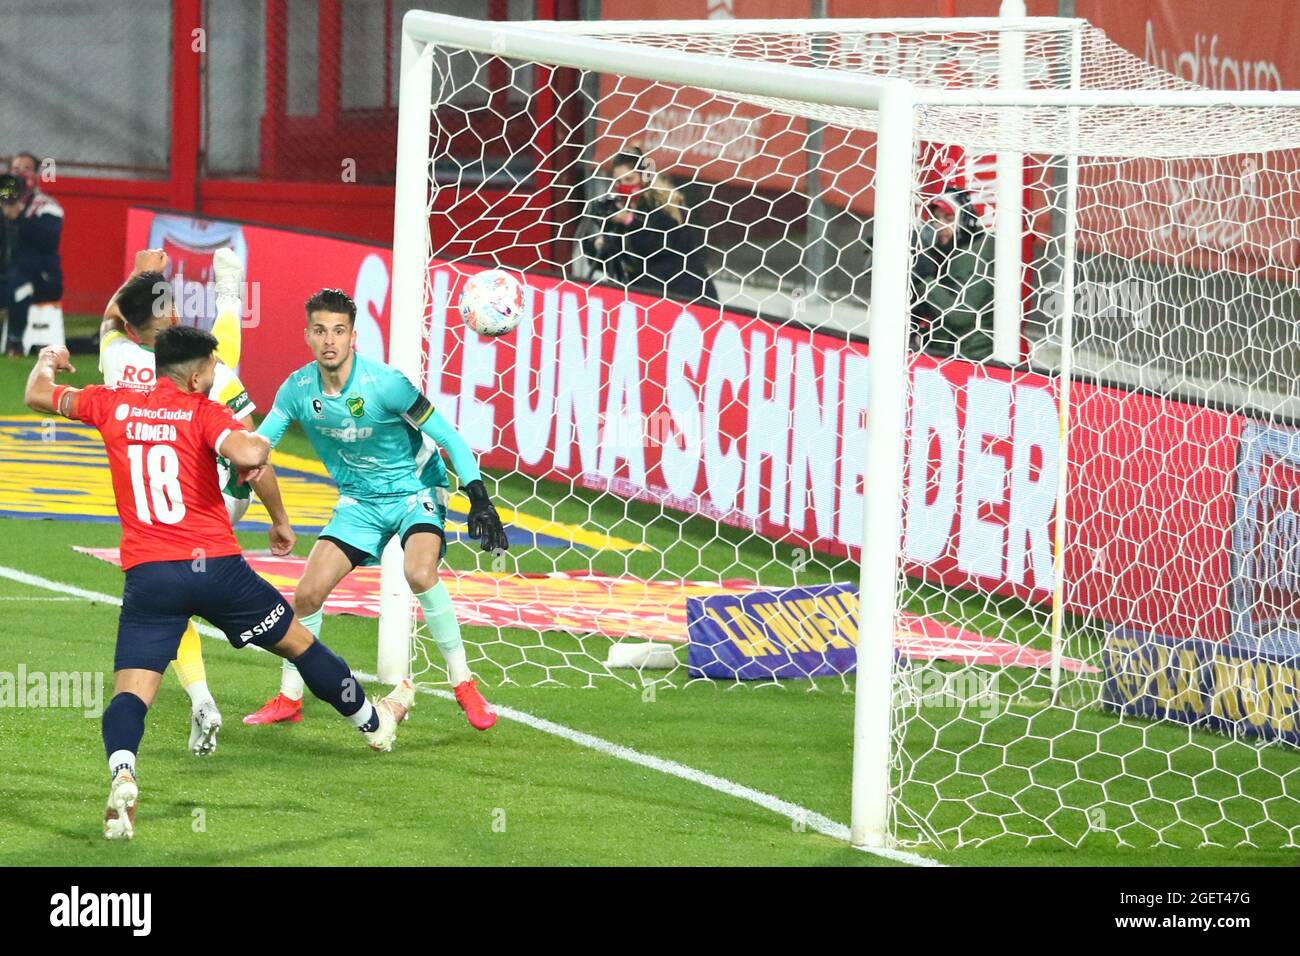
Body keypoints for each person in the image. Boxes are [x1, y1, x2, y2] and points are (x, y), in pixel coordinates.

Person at [24, 330, 414, 841]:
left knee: (132, 692)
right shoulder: (203, 412)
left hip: (150, 577)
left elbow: (37, 394)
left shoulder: (111, 404)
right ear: (193, 375)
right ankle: (372, 723)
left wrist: (49, 359)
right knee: (299, 644)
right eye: (211, 368)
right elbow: (251, 453)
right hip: (219, 572)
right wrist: (264, 428)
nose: (214, 375)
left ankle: (123, 772)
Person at [243, 289, 508, 731]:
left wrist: (479, 496)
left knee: (419, 573)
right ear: (307, 335)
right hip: (359, 502)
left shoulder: (386, 383)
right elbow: (256, 446)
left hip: (415, 491)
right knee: (307, 594)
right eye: (321, 331)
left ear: (354, 337)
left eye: (339, 331)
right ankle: (290, 696)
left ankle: (463, 683)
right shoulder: (296, 389)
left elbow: (450, 437)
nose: (330, 340)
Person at [98, 247, 297, 756]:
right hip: (217, 504)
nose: (177, 310)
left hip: (154, 511)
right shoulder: (214, 376)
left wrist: (142, 275)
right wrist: (280, 518)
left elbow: (110, 318)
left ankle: (202, 696)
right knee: (227, 360)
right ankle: (230, 288)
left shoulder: (115, 358)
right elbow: (256, 460)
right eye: (167, 304)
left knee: (169, 601)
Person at [582, 148, 718, 306]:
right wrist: (597, 244)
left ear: (645, 178)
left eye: (629, 180)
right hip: (650, 302)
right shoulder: (627, 209)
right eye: (618, 181)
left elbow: (655, 245)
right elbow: (615, 262)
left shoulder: (666, 208)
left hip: (689, 298)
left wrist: (628, 221)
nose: (622, 186)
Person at [909, 190, 996, 361]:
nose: (940, 226)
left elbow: (960, 315)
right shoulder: (943, 253)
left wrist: (922, 280)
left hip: (972, 359)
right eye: (936, 220)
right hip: (947, 355)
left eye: (948, 219)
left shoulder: (974, 257)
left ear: (965, 221)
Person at [1, 152, 63, 356]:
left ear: (36, 174)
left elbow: (48, 239)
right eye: (16, 168)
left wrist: (19, 218)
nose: (20, 172)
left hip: (42, 278)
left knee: (20, 286)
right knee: (14, 283)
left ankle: (15, 342)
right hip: (8, 276)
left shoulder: (47, 205)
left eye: (26, 168)